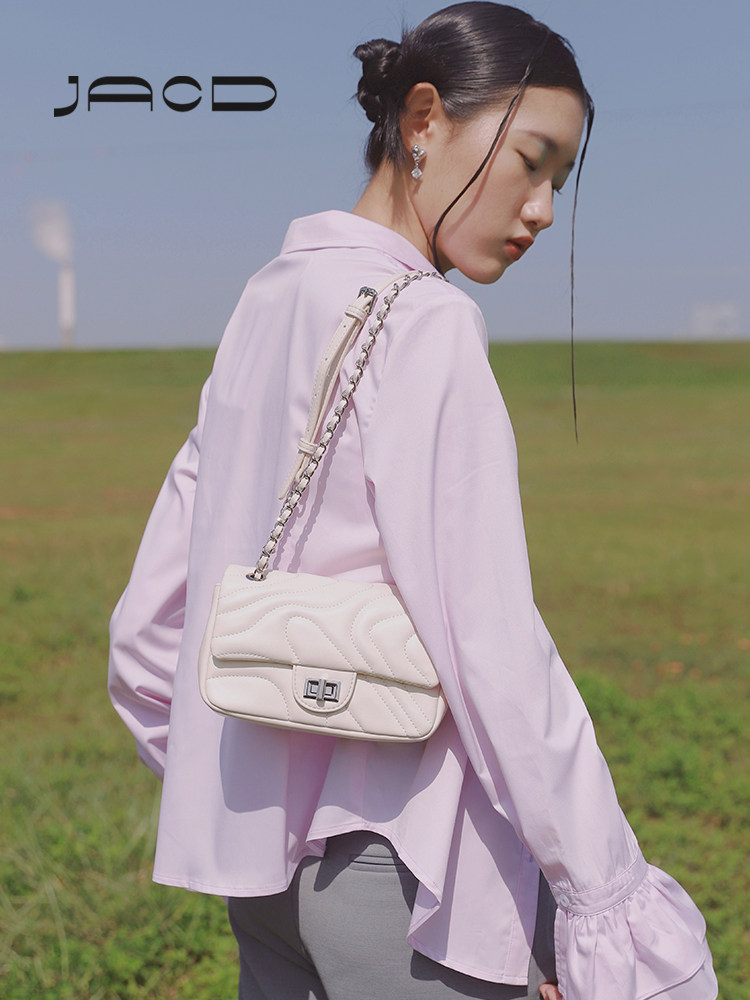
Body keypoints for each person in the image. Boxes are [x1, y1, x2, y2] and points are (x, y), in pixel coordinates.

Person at [108, 4, 718, 998]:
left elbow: (144, 630)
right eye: (530, 161)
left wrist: (236, 779)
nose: (543, 209)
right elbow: (491, 649)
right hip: (411, 877)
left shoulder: (268, 302)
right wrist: (606, 897)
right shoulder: (430, 325)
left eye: (561, 180)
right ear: (424, 119)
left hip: (261, 879)